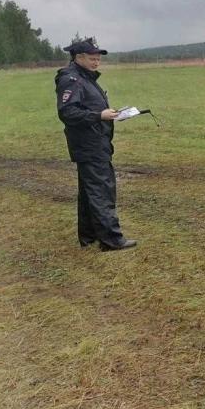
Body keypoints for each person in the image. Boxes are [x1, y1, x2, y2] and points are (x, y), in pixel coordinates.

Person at [55, 36, 136, 251]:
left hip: (95, 141)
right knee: (101, 189)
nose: (96, 62)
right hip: (88, 144)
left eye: (98, 58)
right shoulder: (71, 80)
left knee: (89, 190)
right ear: (79, 57)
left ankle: (89, 235)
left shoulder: (86, 78)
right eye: (92, 58)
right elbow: (68, 112)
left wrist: (109, 115)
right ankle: (111, 239)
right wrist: (99, 115)